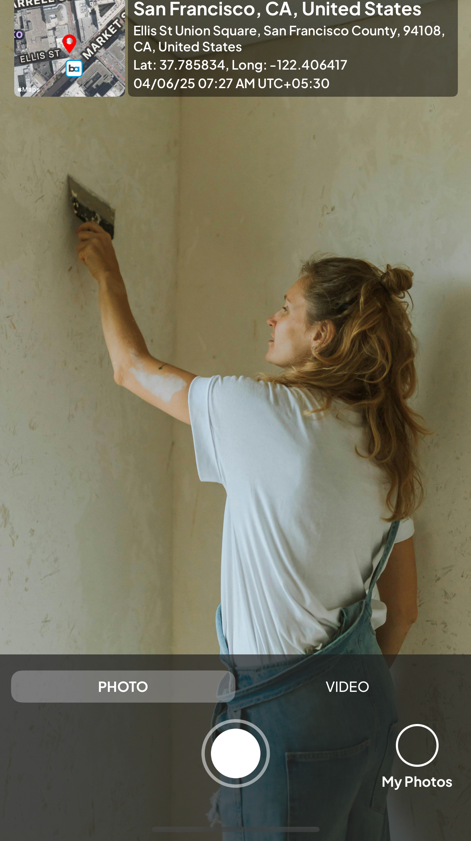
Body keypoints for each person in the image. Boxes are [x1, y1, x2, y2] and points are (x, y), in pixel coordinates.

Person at [76, 221, 428, 840]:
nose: (273, 318)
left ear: (321, 334)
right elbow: (403, 611)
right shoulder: (386, 449)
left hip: (285, 720)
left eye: (286, 308)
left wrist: (109, 275)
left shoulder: (262, 414)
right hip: (368, 710)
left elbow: (131, 368)